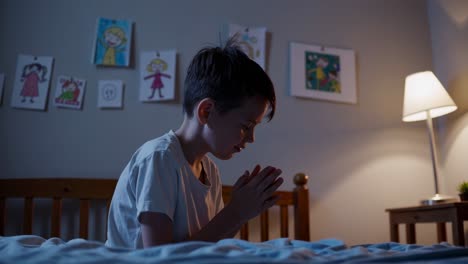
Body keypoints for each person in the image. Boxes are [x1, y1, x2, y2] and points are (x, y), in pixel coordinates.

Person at [105, 37, 283, 249]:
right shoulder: (159, 157)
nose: (251, 138)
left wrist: (241, 213)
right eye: (246, 126)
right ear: (206, 111)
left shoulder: (210, 170)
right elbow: (157, 257)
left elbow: (209, 245)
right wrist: (235, 211)